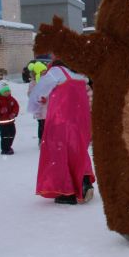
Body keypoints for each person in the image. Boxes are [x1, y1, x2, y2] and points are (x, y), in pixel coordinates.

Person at [28, 60, 95, 205]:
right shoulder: (81, 75)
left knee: (59, 154)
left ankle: (67, 192)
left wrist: (35, 109)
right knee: (78, 151)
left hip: (61, 120)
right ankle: (84, 183)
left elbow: (37, 94)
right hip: (80, 121)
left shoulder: (56, 72)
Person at [0, 81, 19, 155]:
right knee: (5, 135)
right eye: (5, 91)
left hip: (11, 121)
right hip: (2, 122)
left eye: (8, 91)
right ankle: (5, 149)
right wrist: (0, 111)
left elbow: (16, 106)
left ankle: (9, 146)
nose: (7, 93)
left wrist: (14, 113)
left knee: (12, 133)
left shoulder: (11, 99)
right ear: (0, 93)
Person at [27, 64, 48, 143]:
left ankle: (48, 138)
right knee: (42, 124)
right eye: (42, 72)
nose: (45, 74)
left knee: (48, 124)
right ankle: (41, 139)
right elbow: (30, 94)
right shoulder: (33, 83)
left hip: (48, 107)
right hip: (40, 108)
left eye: (45, 72)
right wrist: (38, 98)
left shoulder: (47, 81)